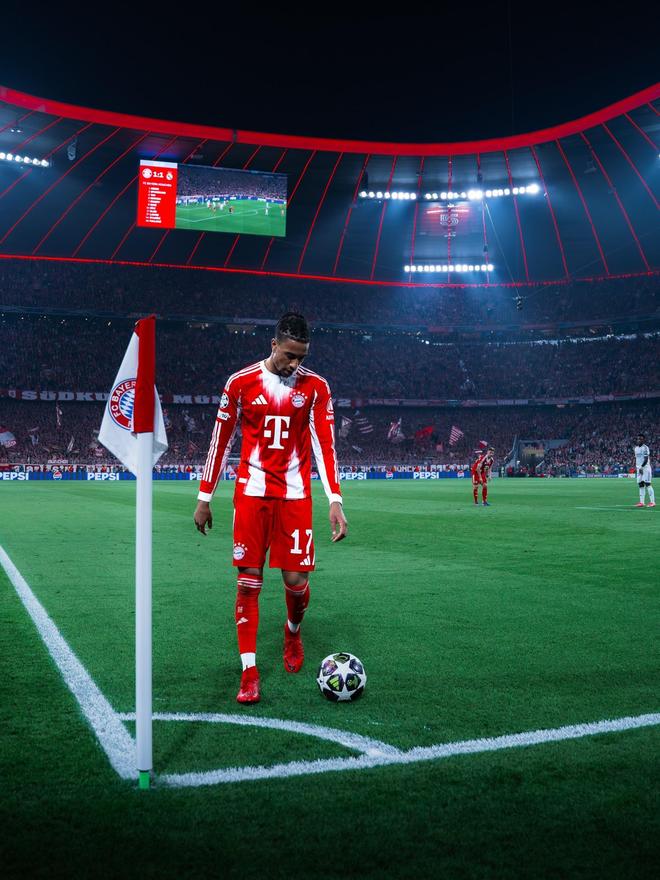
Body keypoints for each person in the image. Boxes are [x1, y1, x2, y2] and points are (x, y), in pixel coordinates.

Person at [193, 312, 348, 704]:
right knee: (248, 580)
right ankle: (249, 672)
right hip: (252, 493)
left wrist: (335, 499)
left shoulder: (316, 387)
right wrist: (205, 497)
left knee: (296, 583)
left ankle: (292, 632)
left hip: (295, 495)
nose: (294, 363)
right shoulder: (240, 383)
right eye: (289, 355)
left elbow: (325, 444)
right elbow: (220, 441)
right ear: (273, 344)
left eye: (301, 357)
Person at [633, 434, 655, 507]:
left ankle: (652, 502)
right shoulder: (636, 448)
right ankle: (642, 502)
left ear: (643, 440)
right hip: (639, 468)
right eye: (638, 439)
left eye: (641, 439)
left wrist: (641, 467)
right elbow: (637, 458)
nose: (639, 440)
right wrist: (637, 467)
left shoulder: (645, 448)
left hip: (645, 468)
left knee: (648, 484)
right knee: (640, 484)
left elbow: (646, 459)